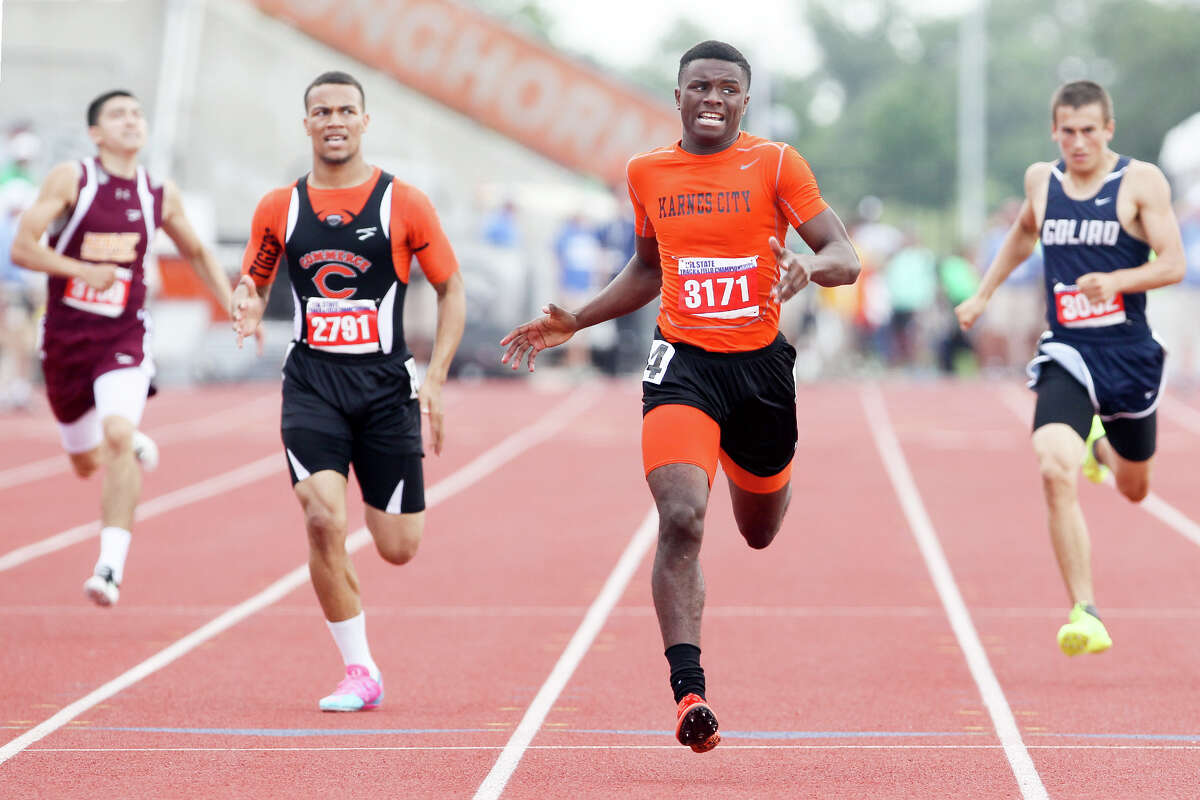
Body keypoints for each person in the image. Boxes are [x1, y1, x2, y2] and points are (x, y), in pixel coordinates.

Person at [500, 41, 860, 752]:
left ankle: (764, 473)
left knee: (758, 531)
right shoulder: (647, 173)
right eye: (700, 86)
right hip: (682, 365)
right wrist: (578, 317)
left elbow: (845, 257)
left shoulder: (778, 164)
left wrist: (807, 271)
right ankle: (688, 690)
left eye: (728, 88)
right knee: (684, 518)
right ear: (678, 96)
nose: (713, 99)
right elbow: (646, 267)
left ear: (744, 102)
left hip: (760, 373)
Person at [231, 71, 465, 712]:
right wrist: (245, 302)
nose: (334, 119)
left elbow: (450, 288)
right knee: (320, 517)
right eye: (321, 110)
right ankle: (359, 670)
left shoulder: (403, 203)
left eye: (346, 110)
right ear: (306, 123)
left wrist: (437, 376)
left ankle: (382, 505)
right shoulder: (279, 207)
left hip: (386, 386)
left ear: (364, 121)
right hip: (312, 382)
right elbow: (252, 277)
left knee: (398, 548)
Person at [956, 80, 1185, 656]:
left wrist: (1118, 280)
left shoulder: (1140, 182)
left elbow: (1175, 263)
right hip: (1067, 350)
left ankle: (1102, 450)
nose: (1078, 142)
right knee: (1053, 465)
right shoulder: (1042, 180)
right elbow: (1021, 234)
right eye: (1067, 131)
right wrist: (983, 296)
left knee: (1135, 489)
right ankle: (1085, 609)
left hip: (1129, 354)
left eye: (1088, 130)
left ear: (1108, 129)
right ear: (1053, 131)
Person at [10, 90, 238, 607]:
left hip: (124, 334)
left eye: (137, 113)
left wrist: (233, 304)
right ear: (96, 132)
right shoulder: (73, 180)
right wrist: (80, 270)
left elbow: (197, 251)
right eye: (119, 114)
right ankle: (125, 440)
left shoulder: (158, 193)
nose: (131, 121)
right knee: (86, 463)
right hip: (66, 340)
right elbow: (23, 247)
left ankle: (108, 569)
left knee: (115, 435)